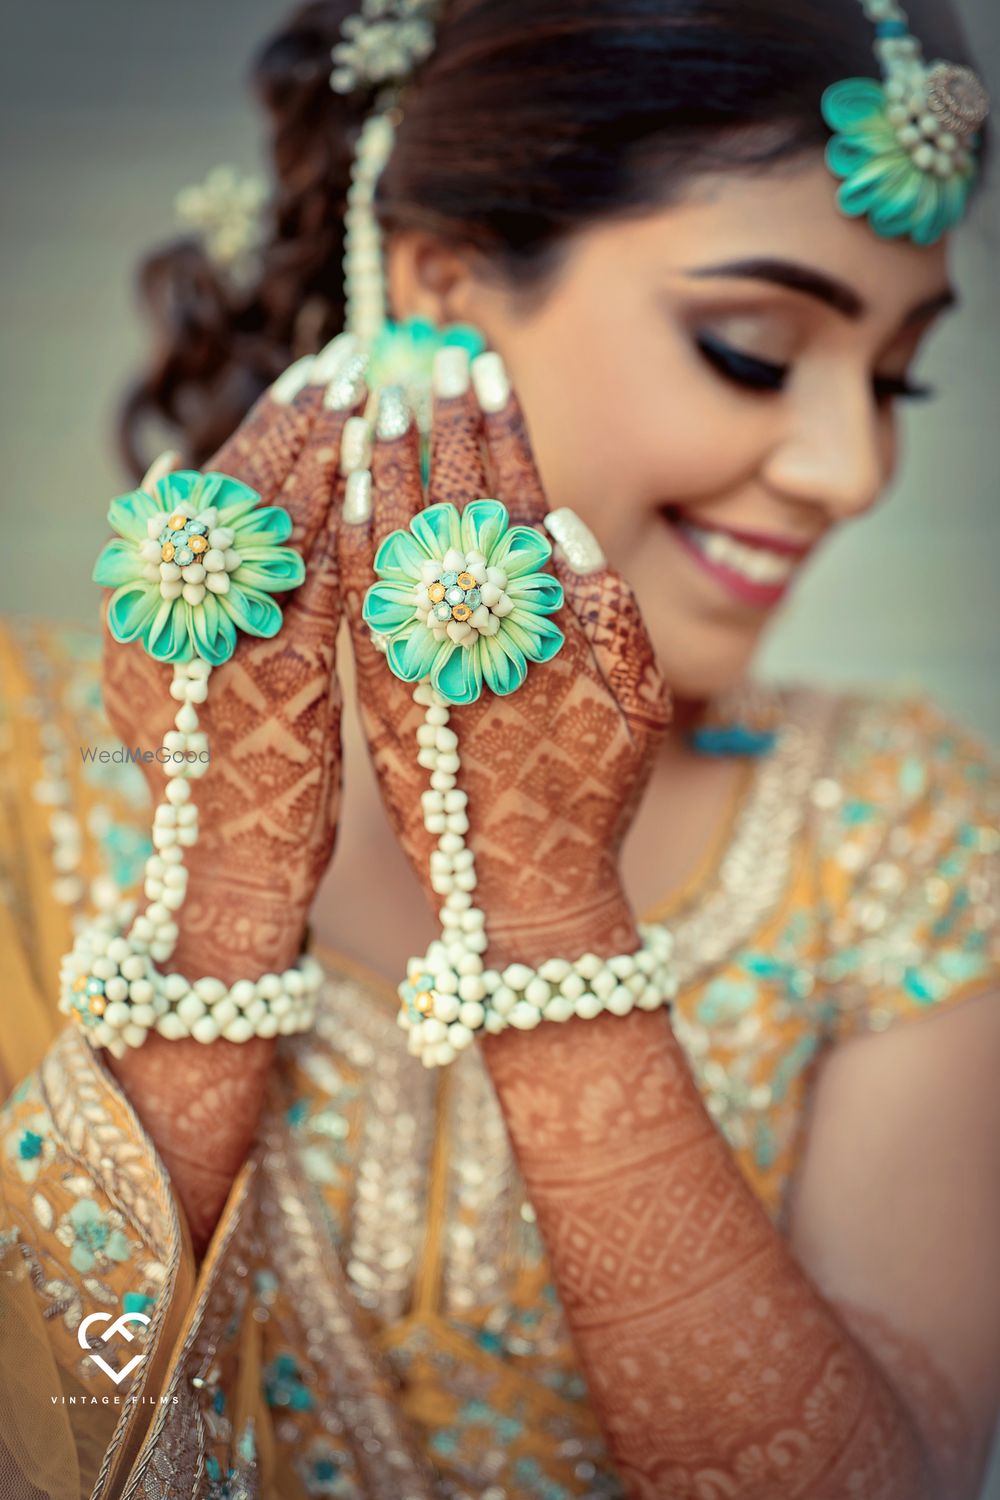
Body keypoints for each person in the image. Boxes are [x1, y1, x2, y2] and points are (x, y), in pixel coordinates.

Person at [1, 0, 998, 1496]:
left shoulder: (905, 827)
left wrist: (551, 916)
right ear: (445, 288)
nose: (851, 467)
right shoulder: (25, 753)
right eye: (750, 350)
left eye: (898, 375)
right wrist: (215, 914)